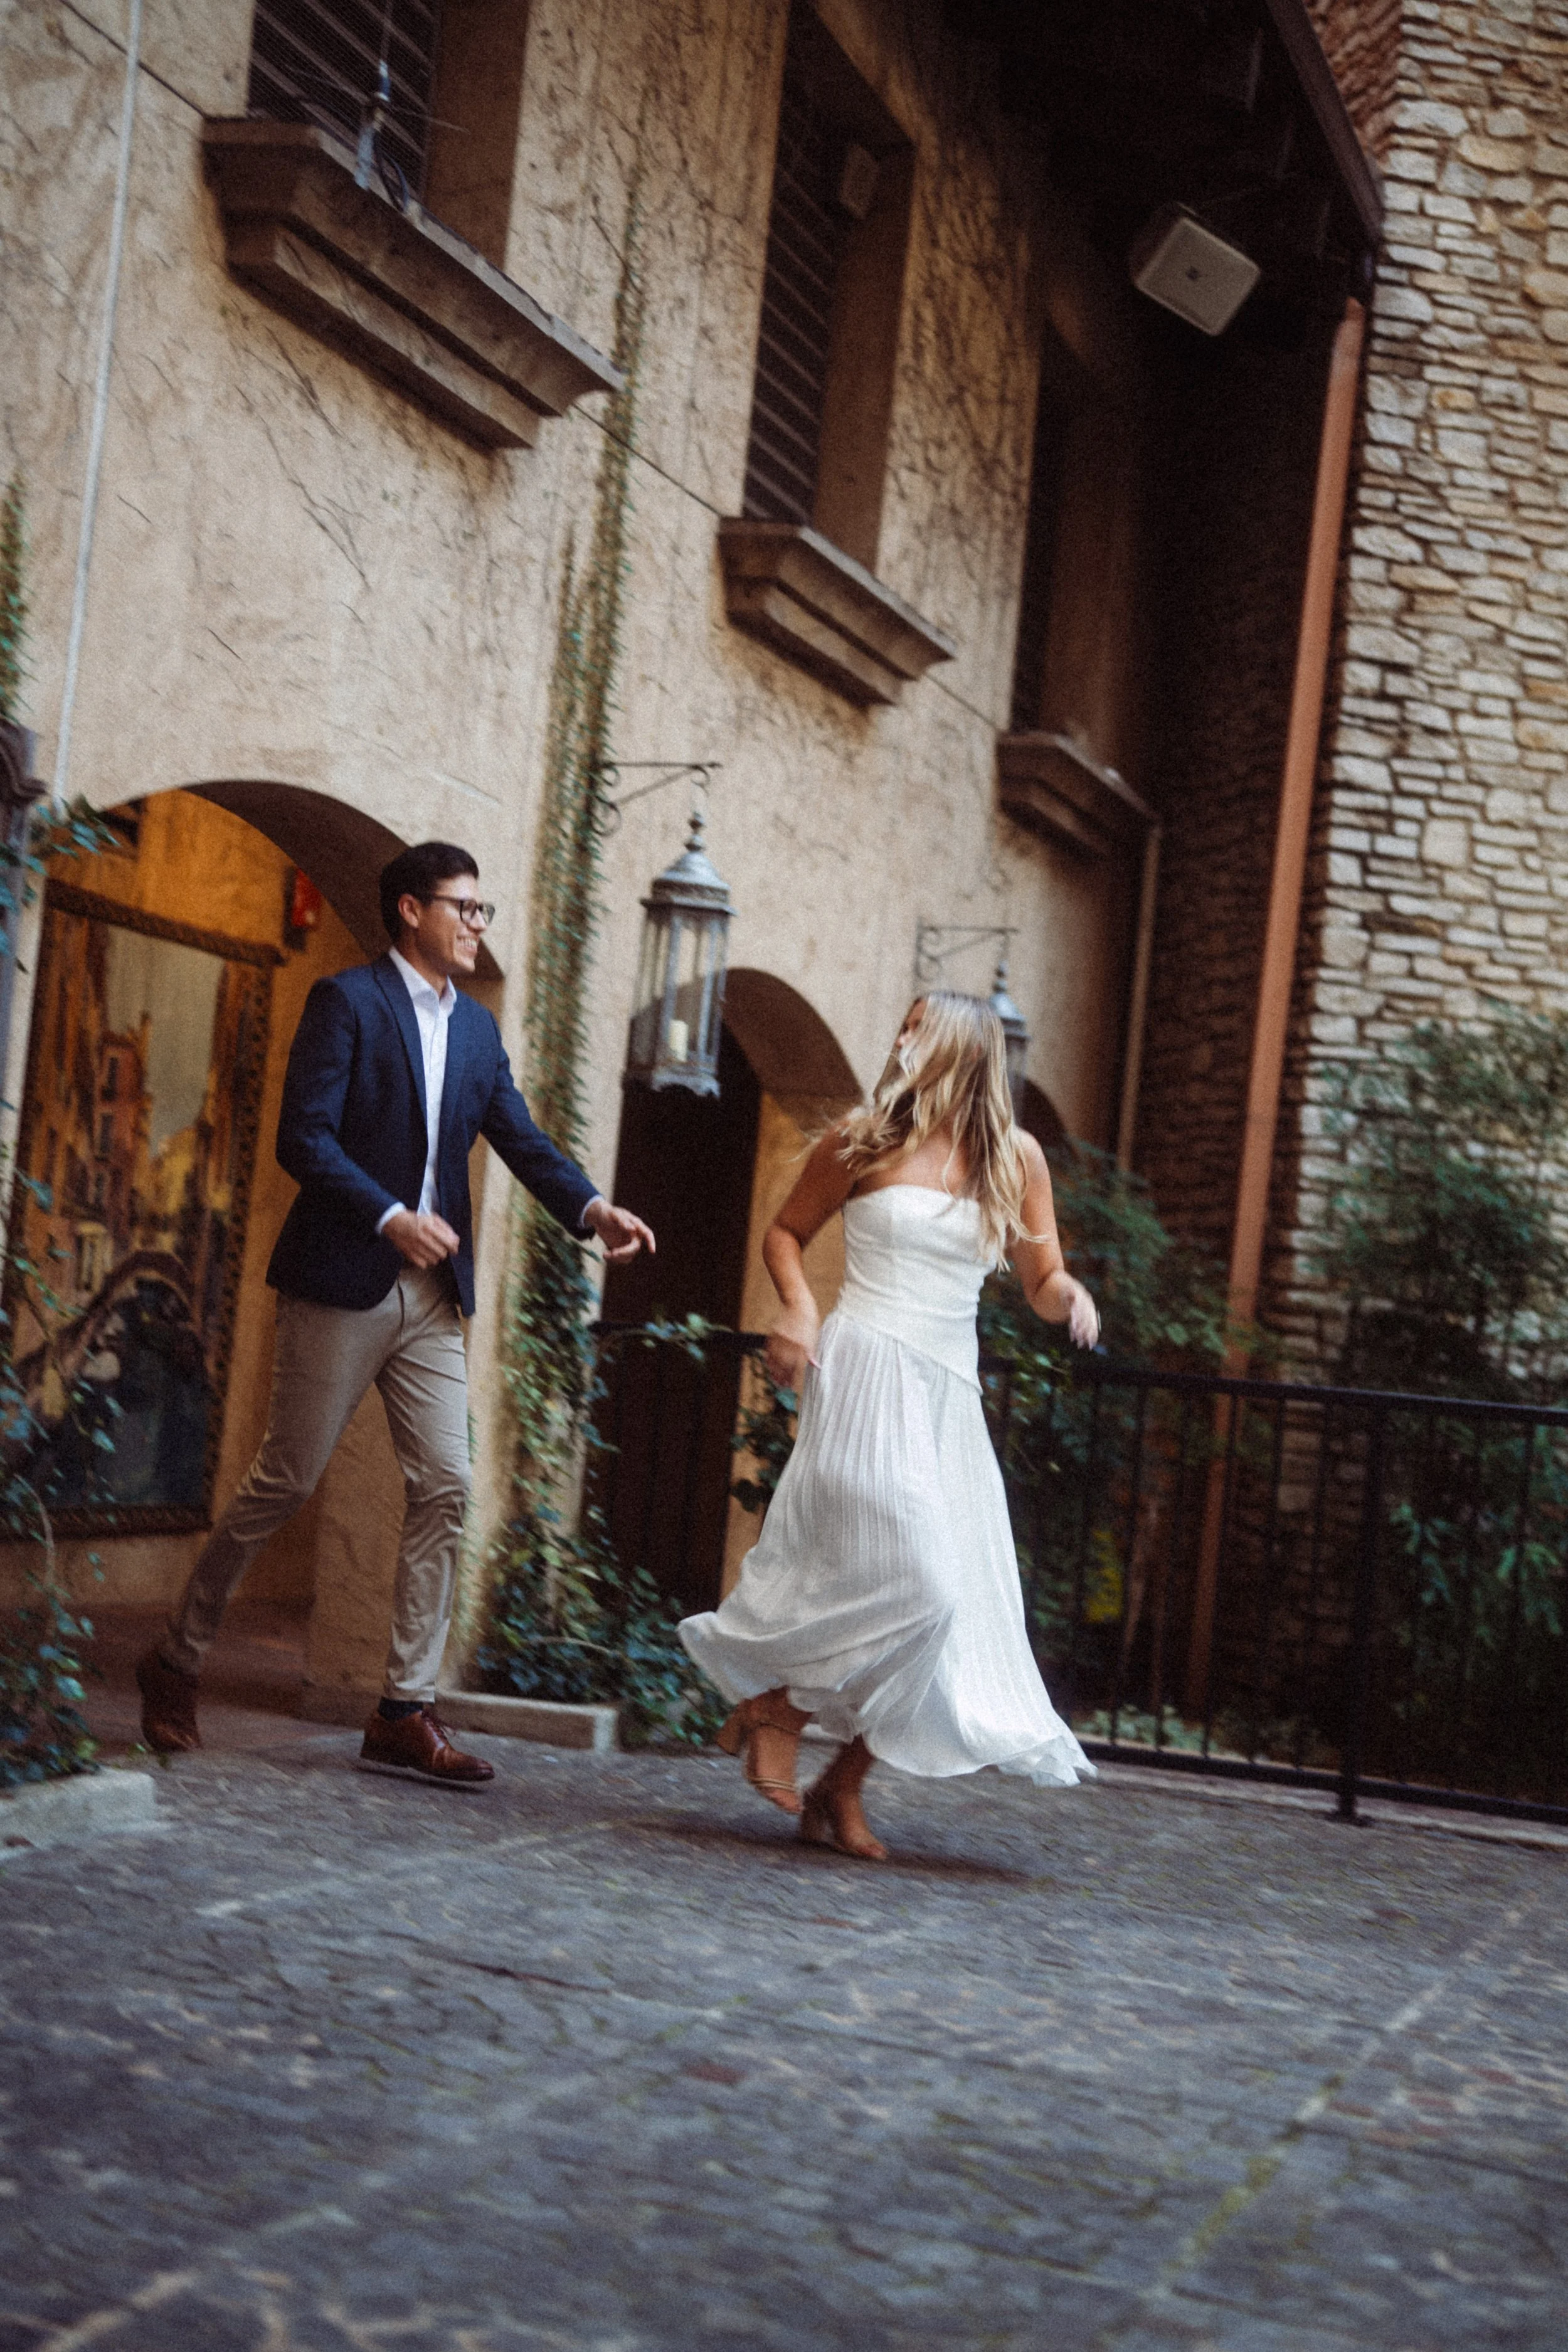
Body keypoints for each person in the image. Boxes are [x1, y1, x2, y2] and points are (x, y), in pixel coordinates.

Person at [136, 842, 653, 1783]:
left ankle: (404, 1708)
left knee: (447, 1483)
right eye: (464, 906)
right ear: (410, 910)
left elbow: (520, 1137)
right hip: (344, 1275)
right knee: (284, 1481)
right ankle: (176, 1654)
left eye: (484, 909)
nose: (477, 923)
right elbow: (304, 1137)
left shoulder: (480, 1032)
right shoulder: (349, 1002)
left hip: (431, 1296)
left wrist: (590, 1208)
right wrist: (388, 1215)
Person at [679, 991, 1097, 1860]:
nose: (901, 1038)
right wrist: (797, 1308)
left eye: (919, 1028)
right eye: (899, 1024)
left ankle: (841, 1785)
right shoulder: (863, 1137)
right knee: (917, 1582)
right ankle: (781, 1709)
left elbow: (1041, 1276)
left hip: (947, 1390)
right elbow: (787, 1233)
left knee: (946, 1609)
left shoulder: (1013, 1157)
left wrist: (1073, 1297)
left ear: (964, 1051)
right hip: (866, 1368)